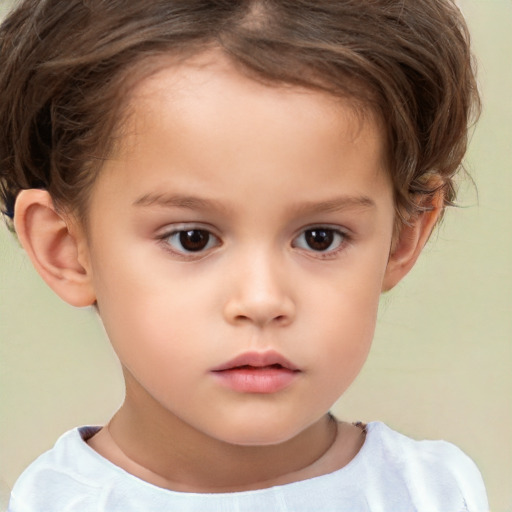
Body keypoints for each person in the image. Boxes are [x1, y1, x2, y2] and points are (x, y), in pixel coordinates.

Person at [0, 0, 488, 510]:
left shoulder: (435, 493)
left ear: (403, 236)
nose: (261, 300)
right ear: (67, 249)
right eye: (192, 238)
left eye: (320, 237)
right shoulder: (52, 501)